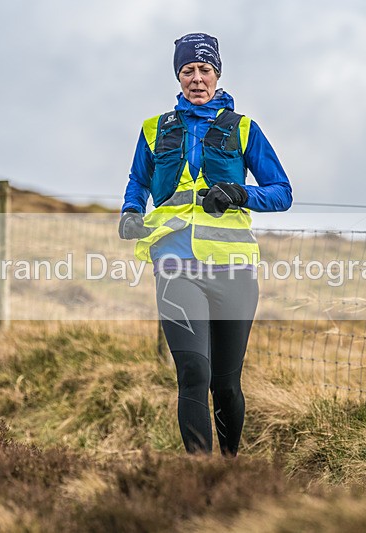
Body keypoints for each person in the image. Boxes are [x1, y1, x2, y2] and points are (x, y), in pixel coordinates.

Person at [119, 32, 292, 456]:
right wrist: (129, 212)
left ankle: (229, 466)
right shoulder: (154, 128)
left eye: (204, 70)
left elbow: (282, 192)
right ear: (178, 77)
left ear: (217, 74)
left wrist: (239, 193)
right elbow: (138, 182)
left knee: (225, 383)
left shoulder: (245, 129)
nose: (197, 78)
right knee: (194, 370)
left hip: (233, 271)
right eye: (187, 71)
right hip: (176, 265)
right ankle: (202, 477)